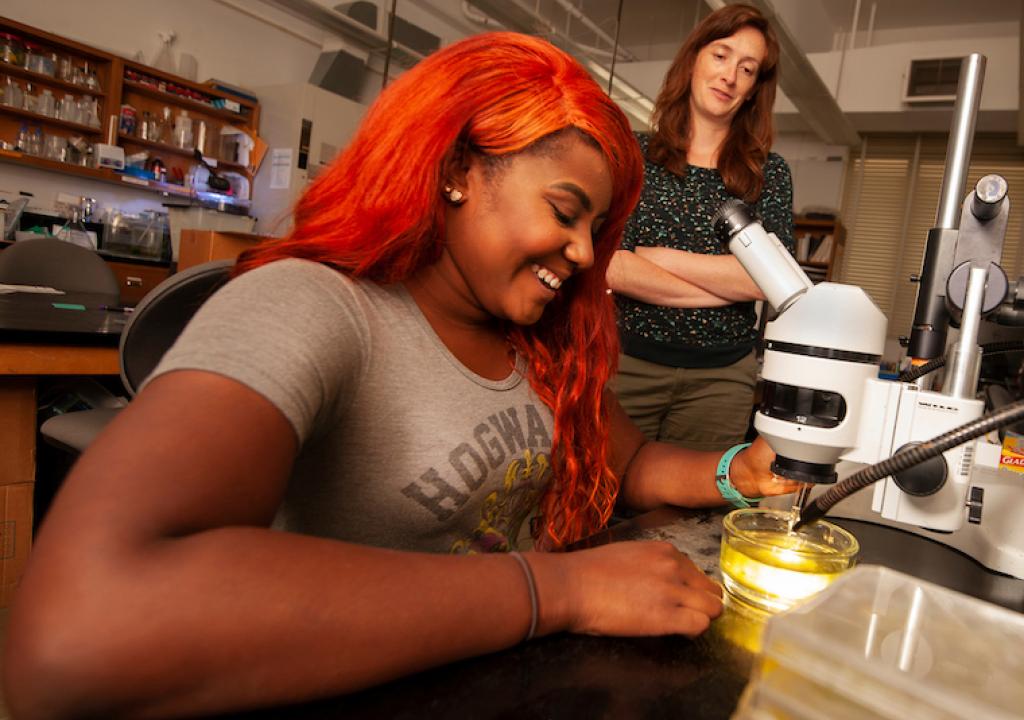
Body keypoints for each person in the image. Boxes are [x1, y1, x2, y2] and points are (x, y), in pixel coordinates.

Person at [3, 33, 799, 718]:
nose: (587, 254)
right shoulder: (315, 308)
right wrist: (561, 592)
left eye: (596, 227)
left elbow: (629, 464)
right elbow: (78, 632)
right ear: (456, 170)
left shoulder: (534, 342)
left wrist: (741, 472)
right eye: (564, 212)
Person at [607, 4, 795, 453]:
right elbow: (613, 267)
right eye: (721, 56)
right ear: (694, 60)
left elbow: (776, 281)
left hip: (722, 379)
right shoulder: (634, 154)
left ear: (753, 90)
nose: (730, 75)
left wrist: (658, 257)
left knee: (694, 518)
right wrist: (734, 282)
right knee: (598, 502)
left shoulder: (769, 173)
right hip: (627, 366)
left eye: (746, 69)